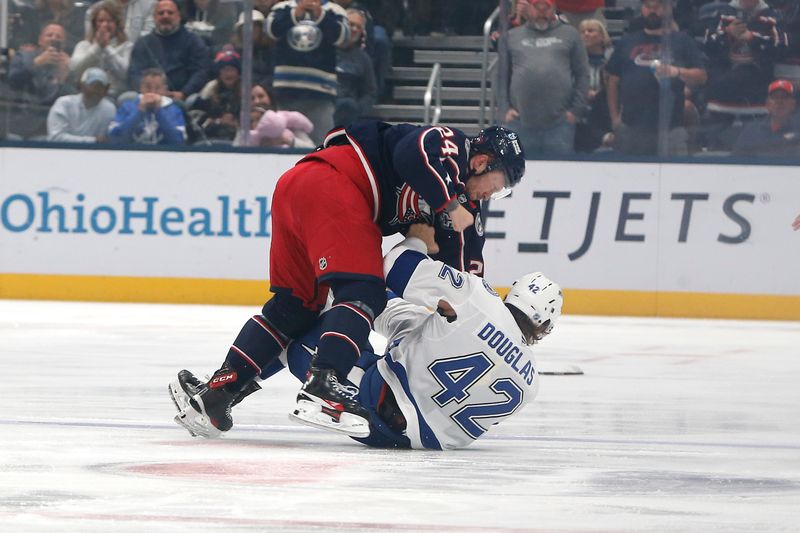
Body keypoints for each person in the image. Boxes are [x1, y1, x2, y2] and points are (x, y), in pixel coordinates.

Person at [165, 121, 527, 439]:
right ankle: (325, 385)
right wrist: (448, 206)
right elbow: (412, 152)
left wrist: (487, 322)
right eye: (501, 185)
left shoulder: (466, 210)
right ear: (483, 162)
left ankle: (218, 393)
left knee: (296, 306)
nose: (494, 195)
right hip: (335, 183)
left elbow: (467, 274)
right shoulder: (452, 148)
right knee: (364, 291)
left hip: (298, 188)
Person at [170, 223, 563, 448]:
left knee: (302, 317)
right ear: (543, 327)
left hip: (372, 408)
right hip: (418, 442)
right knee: (362, 324)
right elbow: (415, 343)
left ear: (514, 294)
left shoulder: (480, 298)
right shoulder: (532, 385)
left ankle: (220, 396)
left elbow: (397, 264)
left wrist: (419, 238)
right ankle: (220, 396)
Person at [605, 0, 707, 156]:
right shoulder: (626, 41)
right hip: (631, 128)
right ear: (642, 10)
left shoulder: (683, 40)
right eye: (647, 7)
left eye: (657, 7)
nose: (652, 11)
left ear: (668, 10)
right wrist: (615, 118)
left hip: (671, 128)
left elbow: (702, 77)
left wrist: (677, 71)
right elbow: (613, 80)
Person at [501, 0, 590, 157]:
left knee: (560, 177)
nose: (541, 12)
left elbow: (583, 74)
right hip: (519, 123)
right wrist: (505, 108)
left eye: (546, 7)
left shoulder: (571, 34)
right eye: (537, 7)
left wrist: (575, 111)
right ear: (529, 9)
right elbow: (501, 75)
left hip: (560, 124)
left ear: (554, 9)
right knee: (516, 176)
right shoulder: (511, 36)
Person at [266, 0, 350, 144]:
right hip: (286, 88)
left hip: (320, 91)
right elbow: (271, 31)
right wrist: (295, 14)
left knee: (322, 143)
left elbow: (342, 37)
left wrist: (321, 16)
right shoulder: (282, 8)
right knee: (286, 140)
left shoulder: (335, 11)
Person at [127, 0, 212, 103]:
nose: (165, 16)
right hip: (146, 96)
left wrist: (184, 93)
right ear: (154, 18)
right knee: (127, 97)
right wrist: (146, 92)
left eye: (170, 13)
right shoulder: (143, 43)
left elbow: (201, 71)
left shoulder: (193, 41)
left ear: (179, 16)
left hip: (180, 97)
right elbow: (134, 73)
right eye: (161, 13)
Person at [7, 23, 73, 139]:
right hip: (18, 123)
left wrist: (62, 78)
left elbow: (72, 102)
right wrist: (36, 63)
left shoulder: (67, 64)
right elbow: (12, 80)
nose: (54, 38)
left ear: (64, 44)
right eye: (49, 35)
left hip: (47, 129)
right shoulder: (23, 56)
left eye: (58, 37)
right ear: (40, 40)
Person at [70, 0, 134, 99]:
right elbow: (76, 72)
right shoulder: (83, 46)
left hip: (115, 95)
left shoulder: (127, 46)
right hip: (86, 95)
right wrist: (97, 48)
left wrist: (106, 48)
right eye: (100, 21)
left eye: (109, 21)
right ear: (94, 24)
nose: (105, 25)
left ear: (117, 24)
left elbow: (125, 74)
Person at [108, 67, 186, 144]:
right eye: (148, 87)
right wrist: (139, 112)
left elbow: (178, 141)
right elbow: (115, 138)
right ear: (141, 88)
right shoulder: (127, 107)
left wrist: (159, 111)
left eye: (157, 88)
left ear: (164, 89)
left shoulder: (174, 110)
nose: (152, 92)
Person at [732, 78, 800, 156]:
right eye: (774, 98)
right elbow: (737, 159)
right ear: (767, 104)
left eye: (784, 97)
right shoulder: (751, 130)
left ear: (793, 105)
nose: (779, 102)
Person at [574, 18, 614, 152]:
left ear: (602, 36)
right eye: (582, 31)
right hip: (580, 113)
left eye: (591, 31)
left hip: (605, 111)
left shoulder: (613, 59)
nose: (586, 34)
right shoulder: (572, 60)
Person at [47, 67, 116, 143]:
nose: (96, 91)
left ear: (106, 90)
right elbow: (56, 138)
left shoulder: (109, 109)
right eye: (93, 85)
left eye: (100, 87)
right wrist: (93, 140)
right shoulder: (63, 104)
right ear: (82, 86)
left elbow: (103, 140)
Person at [235, 84, 316, 148]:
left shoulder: (288, 121)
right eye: (251, 98)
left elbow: (311, 148)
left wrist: (286, 141)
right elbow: (236, 149)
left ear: (269, 98)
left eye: (261, 96)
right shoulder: (245, 126)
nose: (257, 101)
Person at [334, 8, 378, 127]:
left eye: (358, 27)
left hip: (347, 109)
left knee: (347, 105)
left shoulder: (363, 58)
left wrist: (358, 109)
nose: (354, 29)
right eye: (351, 24)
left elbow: (370, 92)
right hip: (322, 102)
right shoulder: (324, 50)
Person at [192, 48, 242, 142]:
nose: (228, 73)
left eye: (232, 69)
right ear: (219, 72)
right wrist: (218, 121)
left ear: (238, 72)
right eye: (224, 69)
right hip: (211, 138)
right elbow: (199, 118)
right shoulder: (210, 89)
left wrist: (236, 122)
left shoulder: (247, 91)